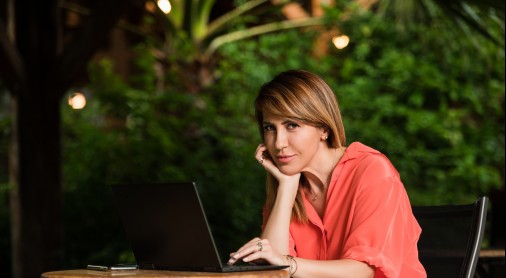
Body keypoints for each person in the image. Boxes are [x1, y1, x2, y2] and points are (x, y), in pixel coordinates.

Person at [227, 70, 426, 277]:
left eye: (292, 125)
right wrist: (286, 187)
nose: (279, 143)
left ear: (324, 129)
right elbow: (273, 272)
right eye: (270, 128)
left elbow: (363, 271)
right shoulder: (288, 187)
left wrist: (290, 264)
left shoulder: (373, 172)